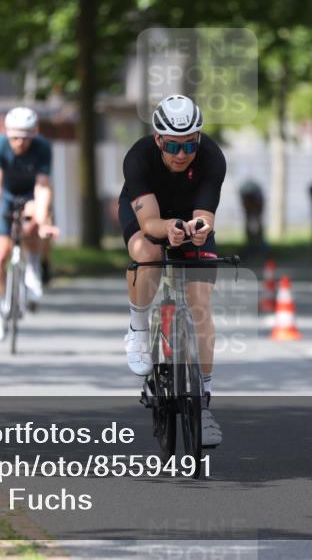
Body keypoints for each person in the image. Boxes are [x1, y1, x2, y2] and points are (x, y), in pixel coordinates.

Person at [118, 94, 226, 447]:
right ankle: (137, 327)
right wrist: (169, 230)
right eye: (174, 145)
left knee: (200, 302)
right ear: (158, 139)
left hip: (189, 216)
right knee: (147, 253)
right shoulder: (138, 157)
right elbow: (149, 222)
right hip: (148, 214)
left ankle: (205, 404)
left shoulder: (211, 157)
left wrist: (197, 229)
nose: (182, 154)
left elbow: (206, 216)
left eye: (190, 144)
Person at [0, 107, 58, 342]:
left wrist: (42, 218)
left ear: (33, 135)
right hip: (6, 196)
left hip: (30, 195)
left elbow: (43, 185)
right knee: (0, 253)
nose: (20, 142)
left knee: (35, 219)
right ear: (7, 133)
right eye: (15, 137)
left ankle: (33, 265)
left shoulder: (42, 147)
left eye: (25, 137)